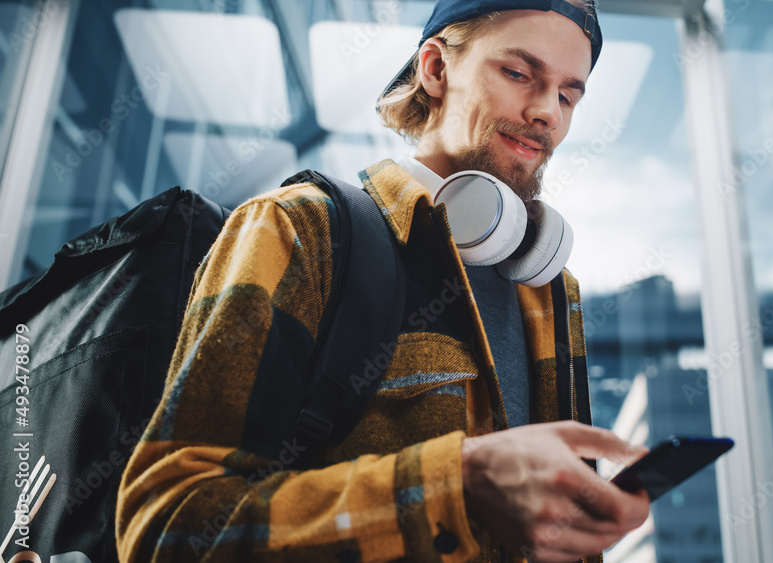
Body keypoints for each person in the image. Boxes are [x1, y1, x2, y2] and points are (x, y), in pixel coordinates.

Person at [116, 1, 651, 561]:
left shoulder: (550, 293)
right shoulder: (298, 231)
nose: (549, 113)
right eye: (518, 73)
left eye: (569, 94)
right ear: (436, 69)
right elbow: (168, 525)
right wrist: (460, 485)